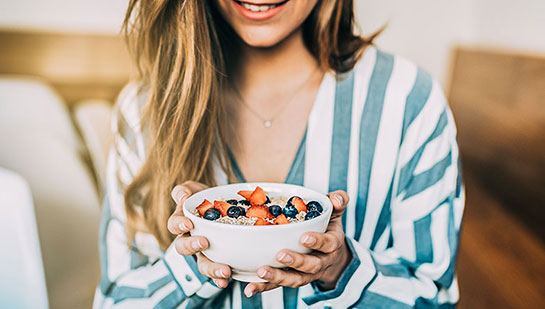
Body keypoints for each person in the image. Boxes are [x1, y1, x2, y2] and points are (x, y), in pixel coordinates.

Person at [94, 0, 464, 308]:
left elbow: (435, 297)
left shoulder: (408, 101)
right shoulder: (145, 110)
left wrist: (341, 270)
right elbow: (117, 300)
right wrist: (189, 263)